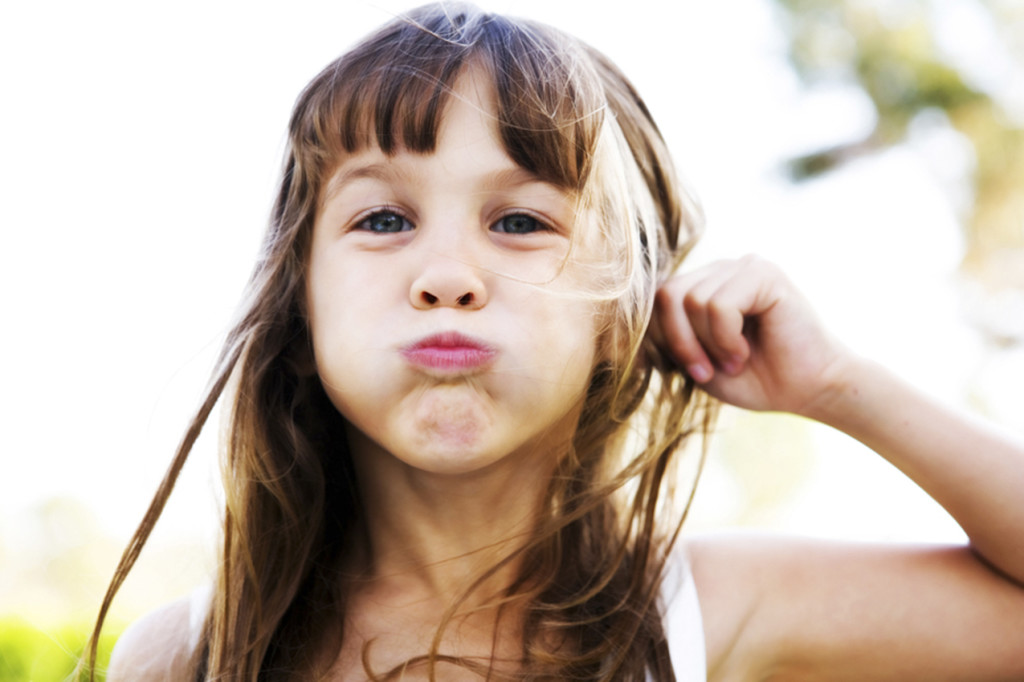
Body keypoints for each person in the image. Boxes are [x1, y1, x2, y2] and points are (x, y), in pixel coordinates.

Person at [83, 3, 1024, 680]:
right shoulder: (191, 654)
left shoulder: (705, 614)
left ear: (620, 314)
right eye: (383, 220)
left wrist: (840, 385)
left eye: (521, 222)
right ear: (300, 306)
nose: (447, 276)